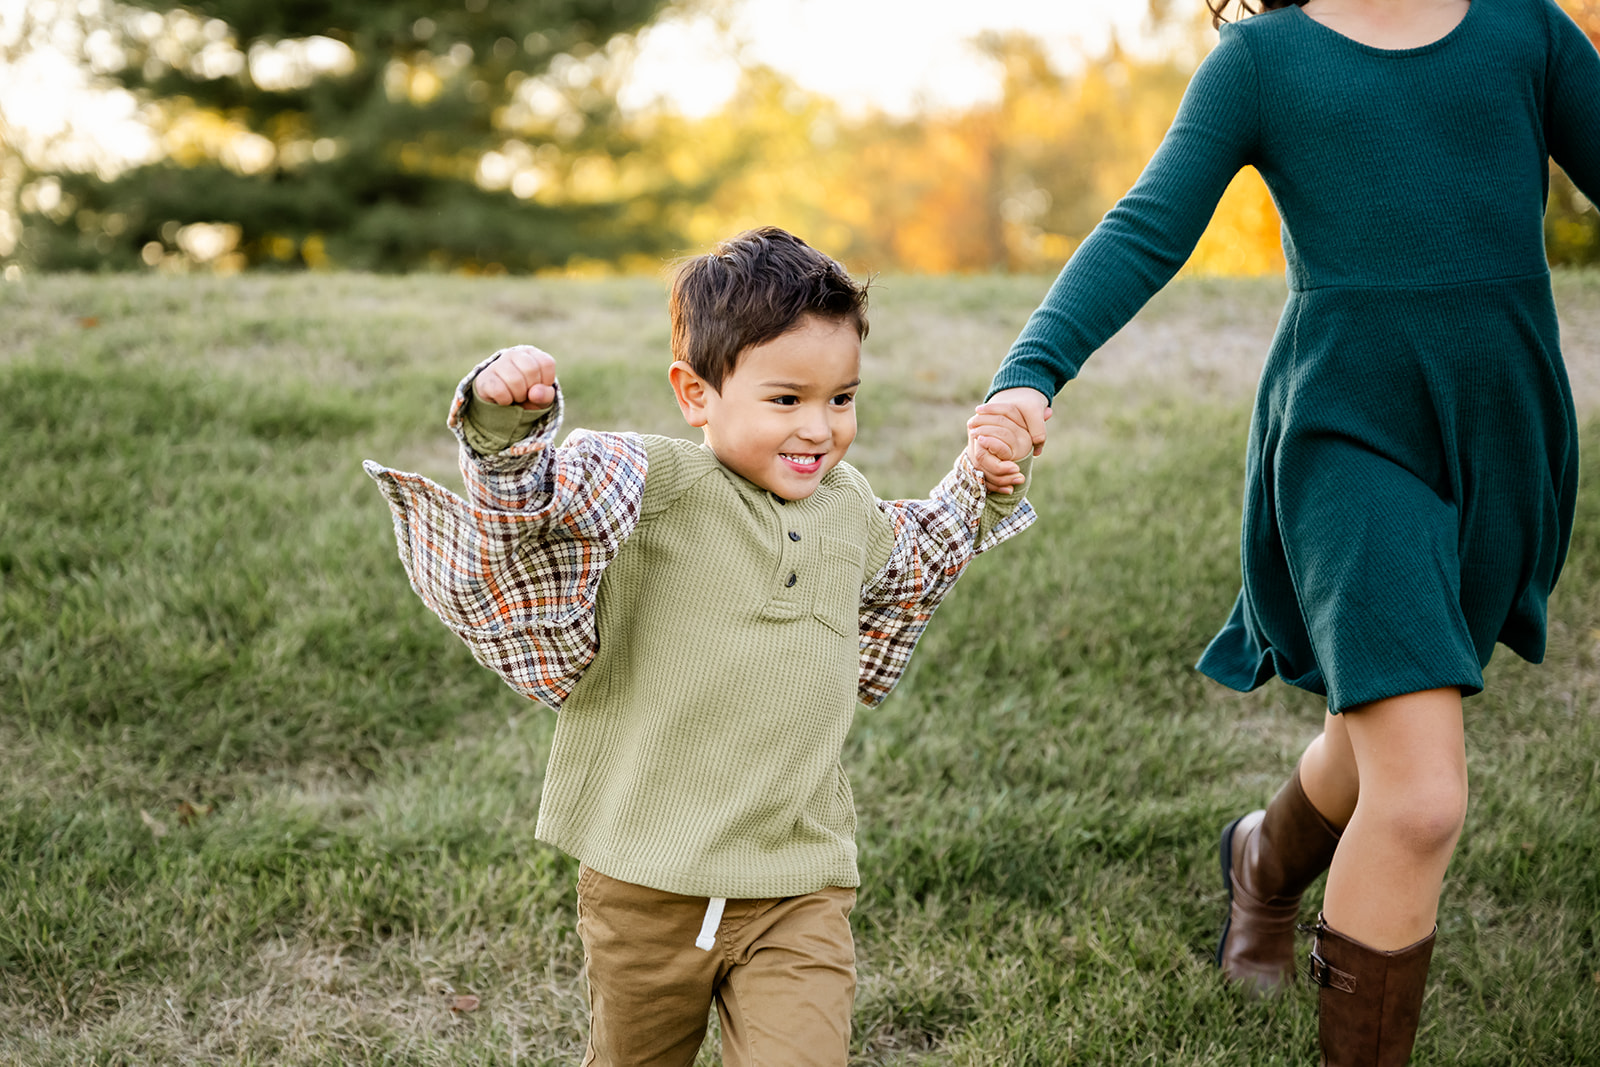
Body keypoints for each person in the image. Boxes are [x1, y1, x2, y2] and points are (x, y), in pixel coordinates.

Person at [969, 0, 1600, 1062]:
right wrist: (1030, 375)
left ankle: (1261, 859)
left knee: (1374, 736)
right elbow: (1146, 225)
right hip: (1347, 440)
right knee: (1420, 797)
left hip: (1502, 440)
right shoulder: (1266, 61)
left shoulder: (1525, 32)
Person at [364, 226, 1038, 1066]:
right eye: (786, 399)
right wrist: (506, 424)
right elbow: (534, 505)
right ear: (696, 393)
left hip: (799, 879)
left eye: (842, 398)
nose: (820, 428)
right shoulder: (655, 486)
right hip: (645, 883)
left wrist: (981, 481)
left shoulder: (847, 506)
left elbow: (914, 552)